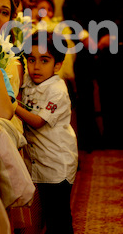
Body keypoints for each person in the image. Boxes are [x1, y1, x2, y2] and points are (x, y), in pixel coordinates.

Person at [62, 0, 123, 150]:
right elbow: (68, 11)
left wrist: (112, 34)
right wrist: (82, 35)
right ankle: (88, 139)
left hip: (111, 44)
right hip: (82, 44)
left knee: (113, 92)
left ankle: (113, 137)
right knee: (84, 94)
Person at [15, 30, 77, 234]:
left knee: (59, 218)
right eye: (31, 60)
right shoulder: (29, 80)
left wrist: (12, 105)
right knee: (47, 215)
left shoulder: (57, 90)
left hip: (57, 163)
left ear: (57, 65)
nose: (36, 67)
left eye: (44, 60)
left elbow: (38, 121)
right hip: (40, 161)